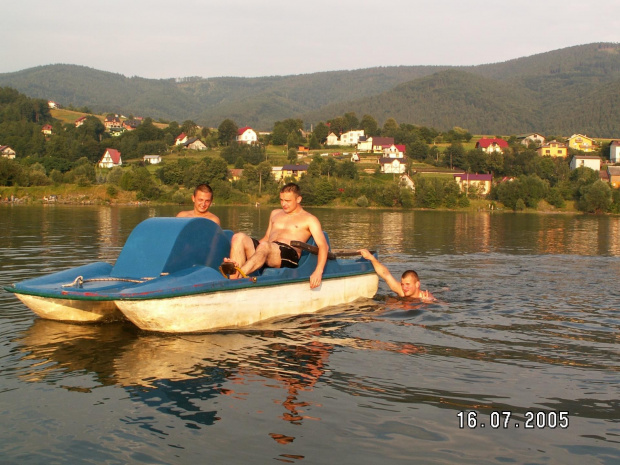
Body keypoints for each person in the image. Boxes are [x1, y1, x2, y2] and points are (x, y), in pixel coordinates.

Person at [223, 183, 328, 288]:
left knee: (265, 246)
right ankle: (233, 280)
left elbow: (323, 246)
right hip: (267, 249)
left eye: (287, 201)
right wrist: (247, 250)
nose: (283, 204)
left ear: (298, 199)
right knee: (238, 237)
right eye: (281, 200)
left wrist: (318, 271)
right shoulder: (275, 213)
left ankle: (237, 278)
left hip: (288, 255)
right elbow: (266, 238)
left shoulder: (309, 219)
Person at [358, 249, 435, 301]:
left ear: (417, 284)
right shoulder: (401, 291)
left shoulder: (426, 297)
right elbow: (386, 275)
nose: (404, 287)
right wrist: (371, 258)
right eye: (402, 284)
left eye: (408, 284)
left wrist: (428, 304)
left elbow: (443, 305)